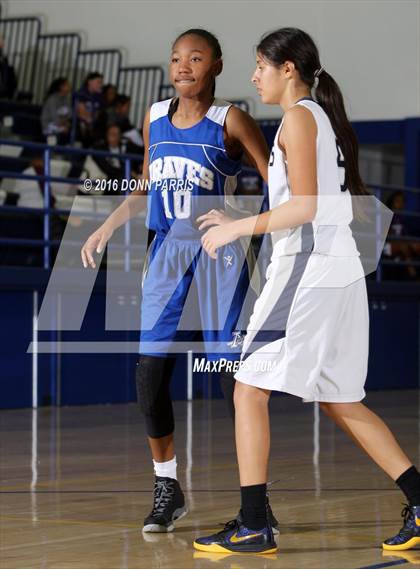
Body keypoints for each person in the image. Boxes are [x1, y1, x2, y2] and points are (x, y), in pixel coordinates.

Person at [194, 27, 420, 555]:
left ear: (287, 68)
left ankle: (253, 523)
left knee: (247, 386)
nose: (253, 76)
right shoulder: (318, 118)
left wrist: (235, 227)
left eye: (260, 65)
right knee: (340, 397)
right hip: (336, 268)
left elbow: (305, 207)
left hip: (310, 268)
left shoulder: (299, 117)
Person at [81, 29, 276, 534]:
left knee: (233, 380)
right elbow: (147, 182)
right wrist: (107, 222)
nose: (183, 65)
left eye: (195, 57)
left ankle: (255, 504)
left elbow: (277, 181)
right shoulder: (153, 117)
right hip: (168, 253)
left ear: (216, 65)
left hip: (219, 254)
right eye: (175, 58)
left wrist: (266, 236)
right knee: (150, 376)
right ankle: (167, 486)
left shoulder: (231, 120)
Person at [74, 72, 104, 147]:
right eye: (98, 82)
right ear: (90, 82)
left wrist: (92, 120)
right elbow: (81, 113)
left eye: (101, 82)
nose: (100, 85)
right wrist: (90, 120)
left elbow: (98, 113)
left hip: (91, 122)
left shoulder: (99, 96)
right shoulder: (81, 93)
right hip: (80, 122)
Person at [41, 77, 72, 143]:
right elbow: (55, 118)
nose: (69, 87)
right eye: (67, 85)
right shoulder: (52, 99)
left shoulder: (66, 99)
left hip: (62, 126)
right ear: (61, 87)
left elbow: (70, 115)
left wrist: (66, 124)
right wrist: (63, 124)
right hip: (49, 127)